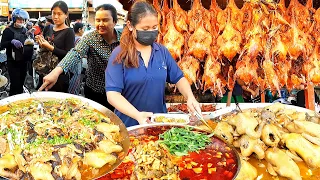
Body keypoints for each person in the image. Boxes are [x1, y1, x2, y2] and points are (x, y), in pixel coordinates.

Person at [105, 1, 201, 127]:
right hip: (130, 125)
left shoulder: (161, 51)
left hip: (159, 124)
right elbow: (112, 95)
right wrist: (137, 115)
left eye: (154, 27)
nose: (151, 32)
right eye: (145, 29)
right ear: (130, 25)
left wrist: (190, 97)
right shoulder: (119, 55)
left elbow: (179, 78)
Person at [38, 4, 121, 111]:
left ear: (115, 21)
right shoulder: (90, 38)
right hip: (95, 90)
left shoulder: (125, 39)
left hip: (118, 92)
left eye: (105, 20)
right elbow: (75, 53)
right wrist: (56, 72)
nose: (100, 24)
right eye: (97, 20)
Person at [35, 0, 75, 92]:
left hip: (59, 74)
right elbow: (42, 50)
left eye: (59, 14)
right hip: (44, 70)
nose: (56, 17)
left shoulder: (69, 32)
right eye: (54, 13)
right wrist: (40, 42)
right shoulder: (47, 28)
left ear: (66, 15)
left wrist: (50, 47)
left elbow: (69, 55)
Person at [0, 8, 34, 95]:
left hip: (23, 61)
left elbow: (27, 43)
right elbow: (2, 45)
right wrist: (11, 42)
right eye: (19, 19)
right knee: (14, 84)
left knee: (21, 84)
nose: (21, 21)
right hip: (12, 62)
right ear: (14, 19)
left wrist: (30, 38)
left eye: (23, 19)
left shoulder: (24, 30)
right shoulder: (7, 31)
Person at [68, 22, 84, 94]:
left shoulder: (72, 38)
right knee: (75, 83)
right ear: (80, 30)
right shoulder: (80, 40)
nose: (83, 31)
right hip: (76, 64)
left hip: (70, 63)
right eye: (83, 29)